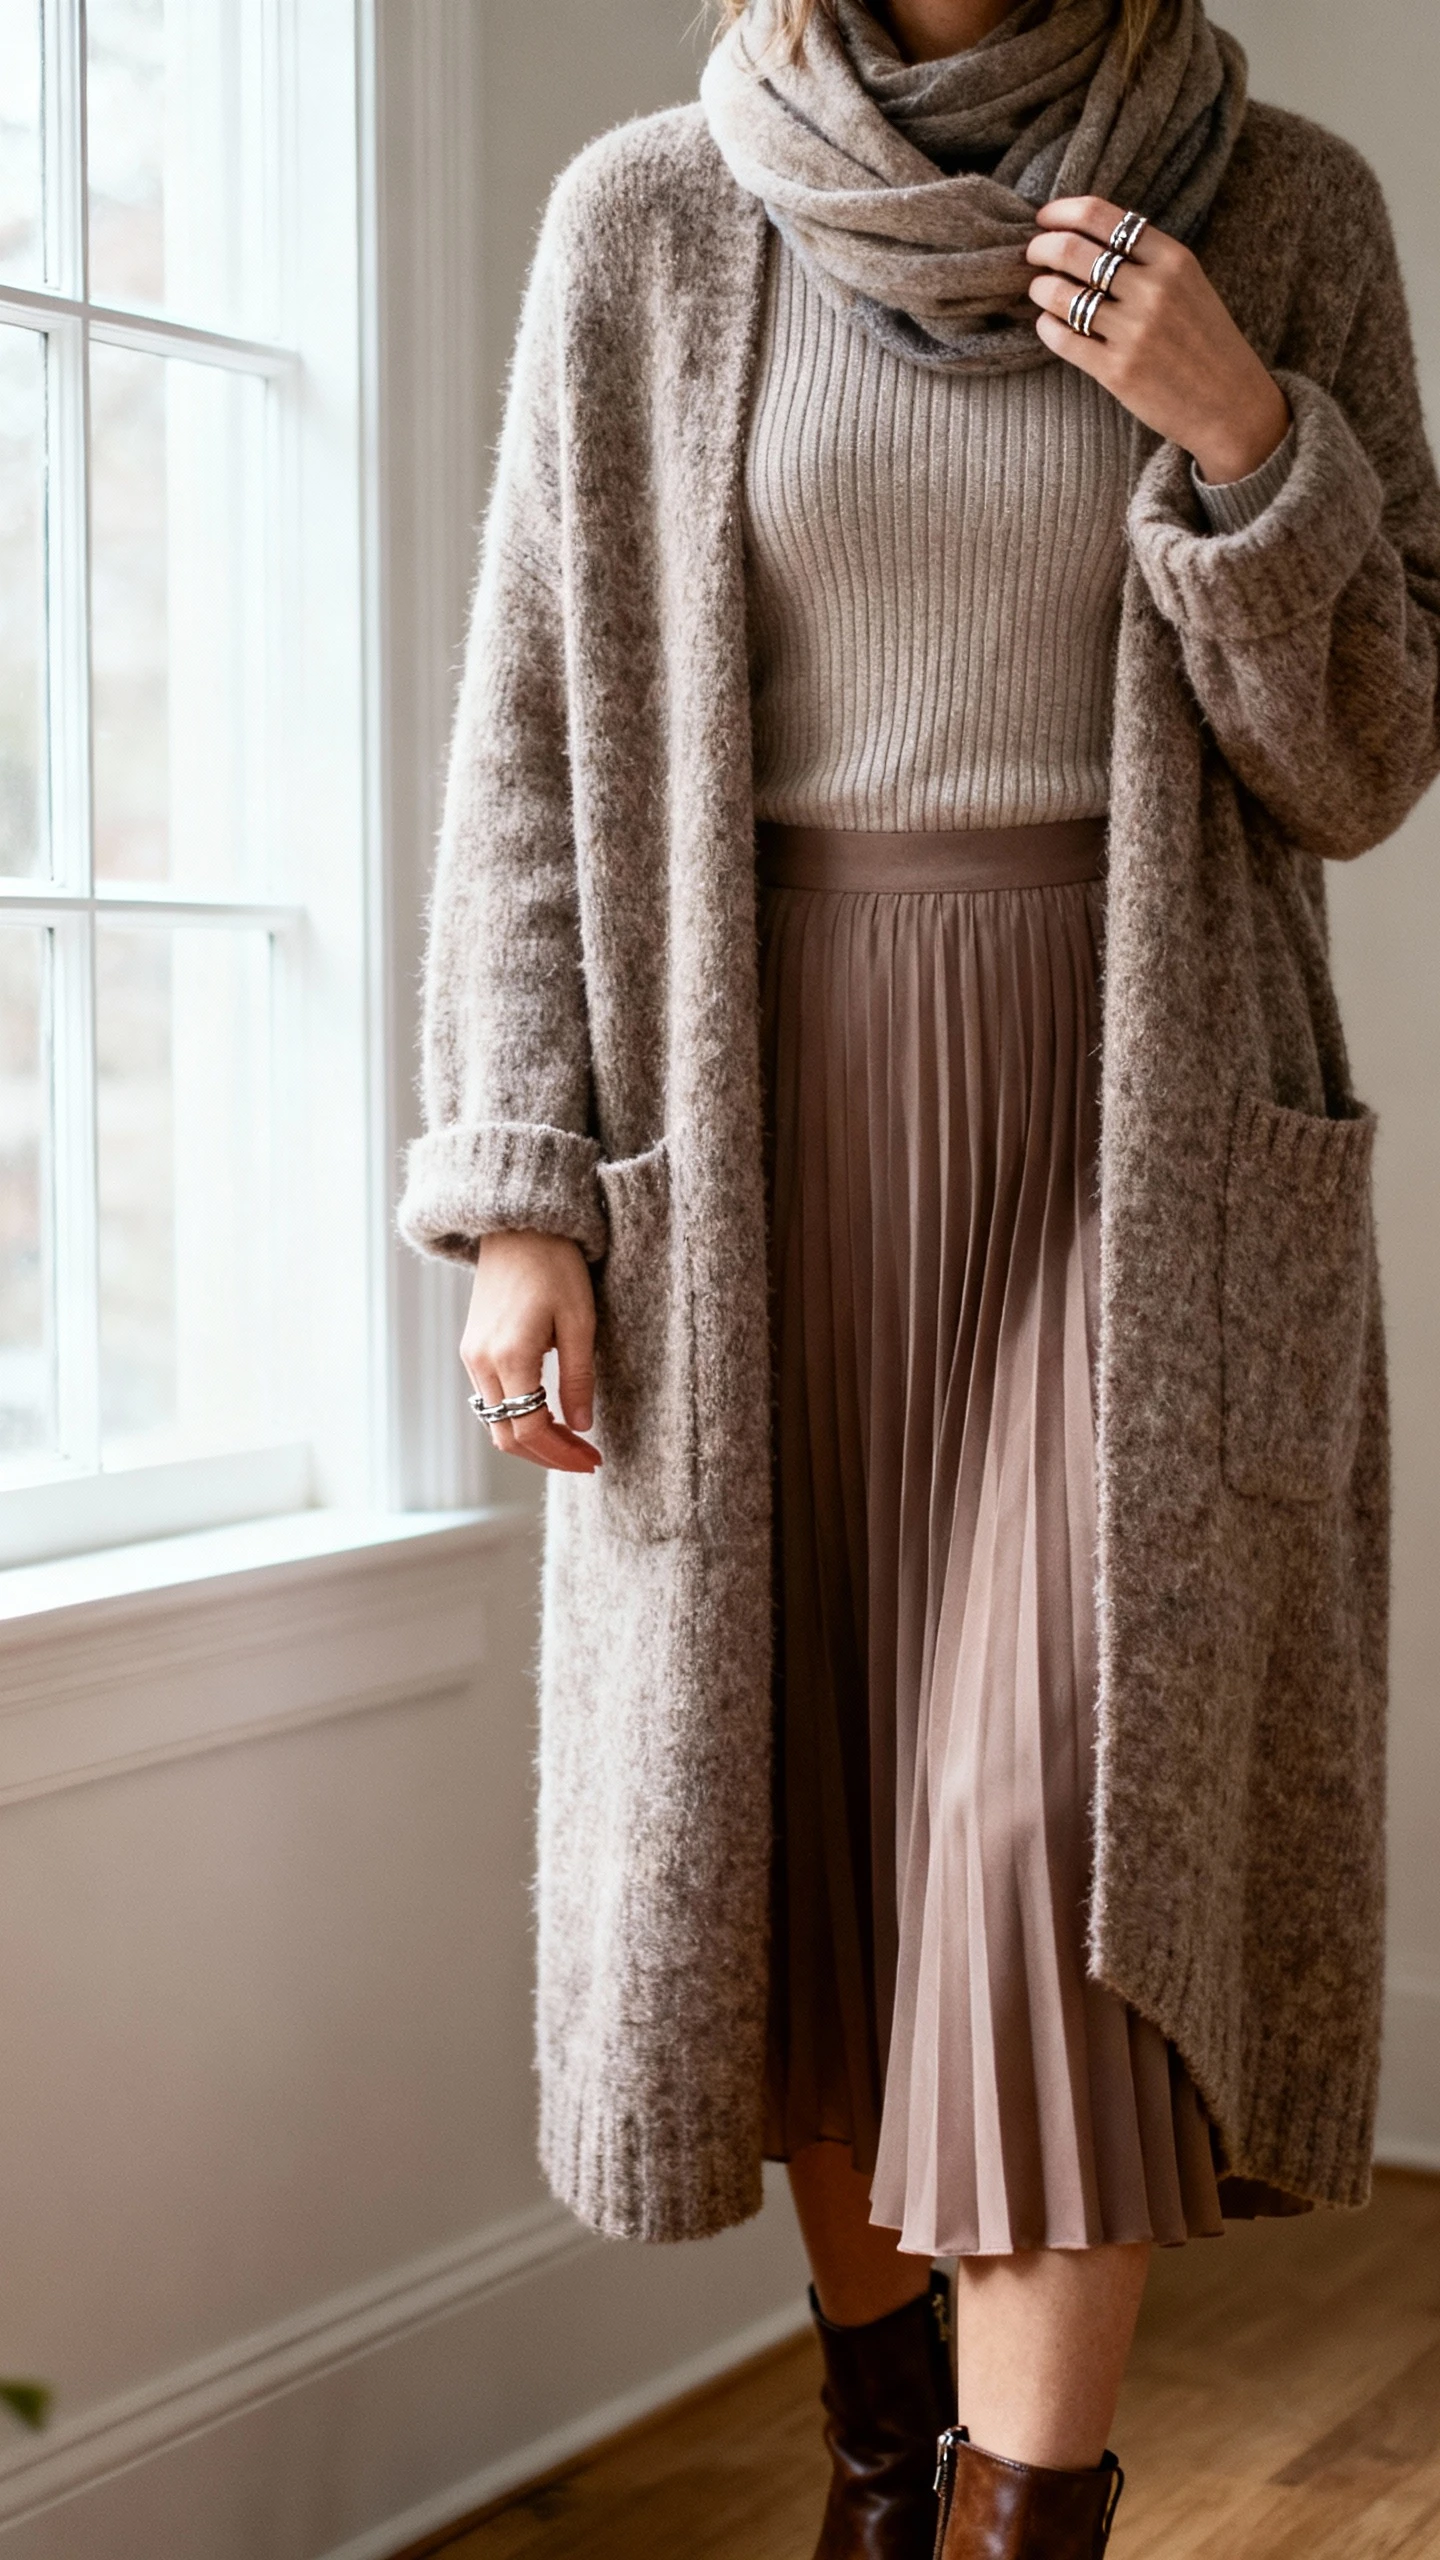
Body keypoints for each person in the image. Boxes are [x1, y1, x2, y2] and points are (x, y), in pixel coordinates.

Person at [398, 1, 1440, 2552]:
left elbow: (1371, 749)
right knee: (823, 1857)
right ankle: (891, 2474)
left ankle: (1007, 2514)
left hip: (1137, 1140)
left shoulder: (1275, 204)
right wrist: (527, 1182)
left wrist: (1245, 440)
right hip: (755, 1143)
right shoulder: (653, 216)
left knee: (1050, 1849)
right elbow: (531, 728)